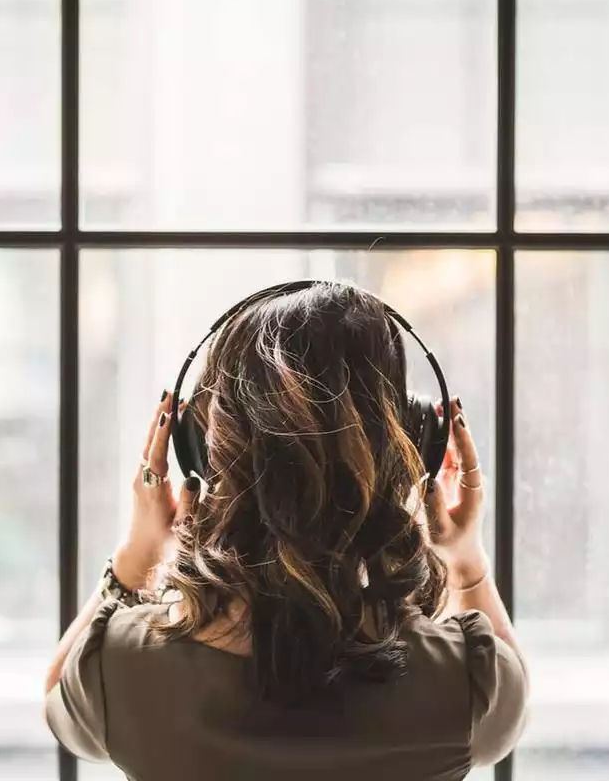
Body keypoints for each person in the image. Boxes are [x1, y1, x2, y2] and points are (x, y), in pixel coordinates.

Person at [45, 281, 528, 780]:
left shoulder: (121, 669)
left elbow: (59, 699)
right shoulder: (464, 681)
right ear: (414, 443)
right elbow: (511, 708)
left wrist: (139, 552)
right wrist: (466, 559)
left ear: (198, 451)